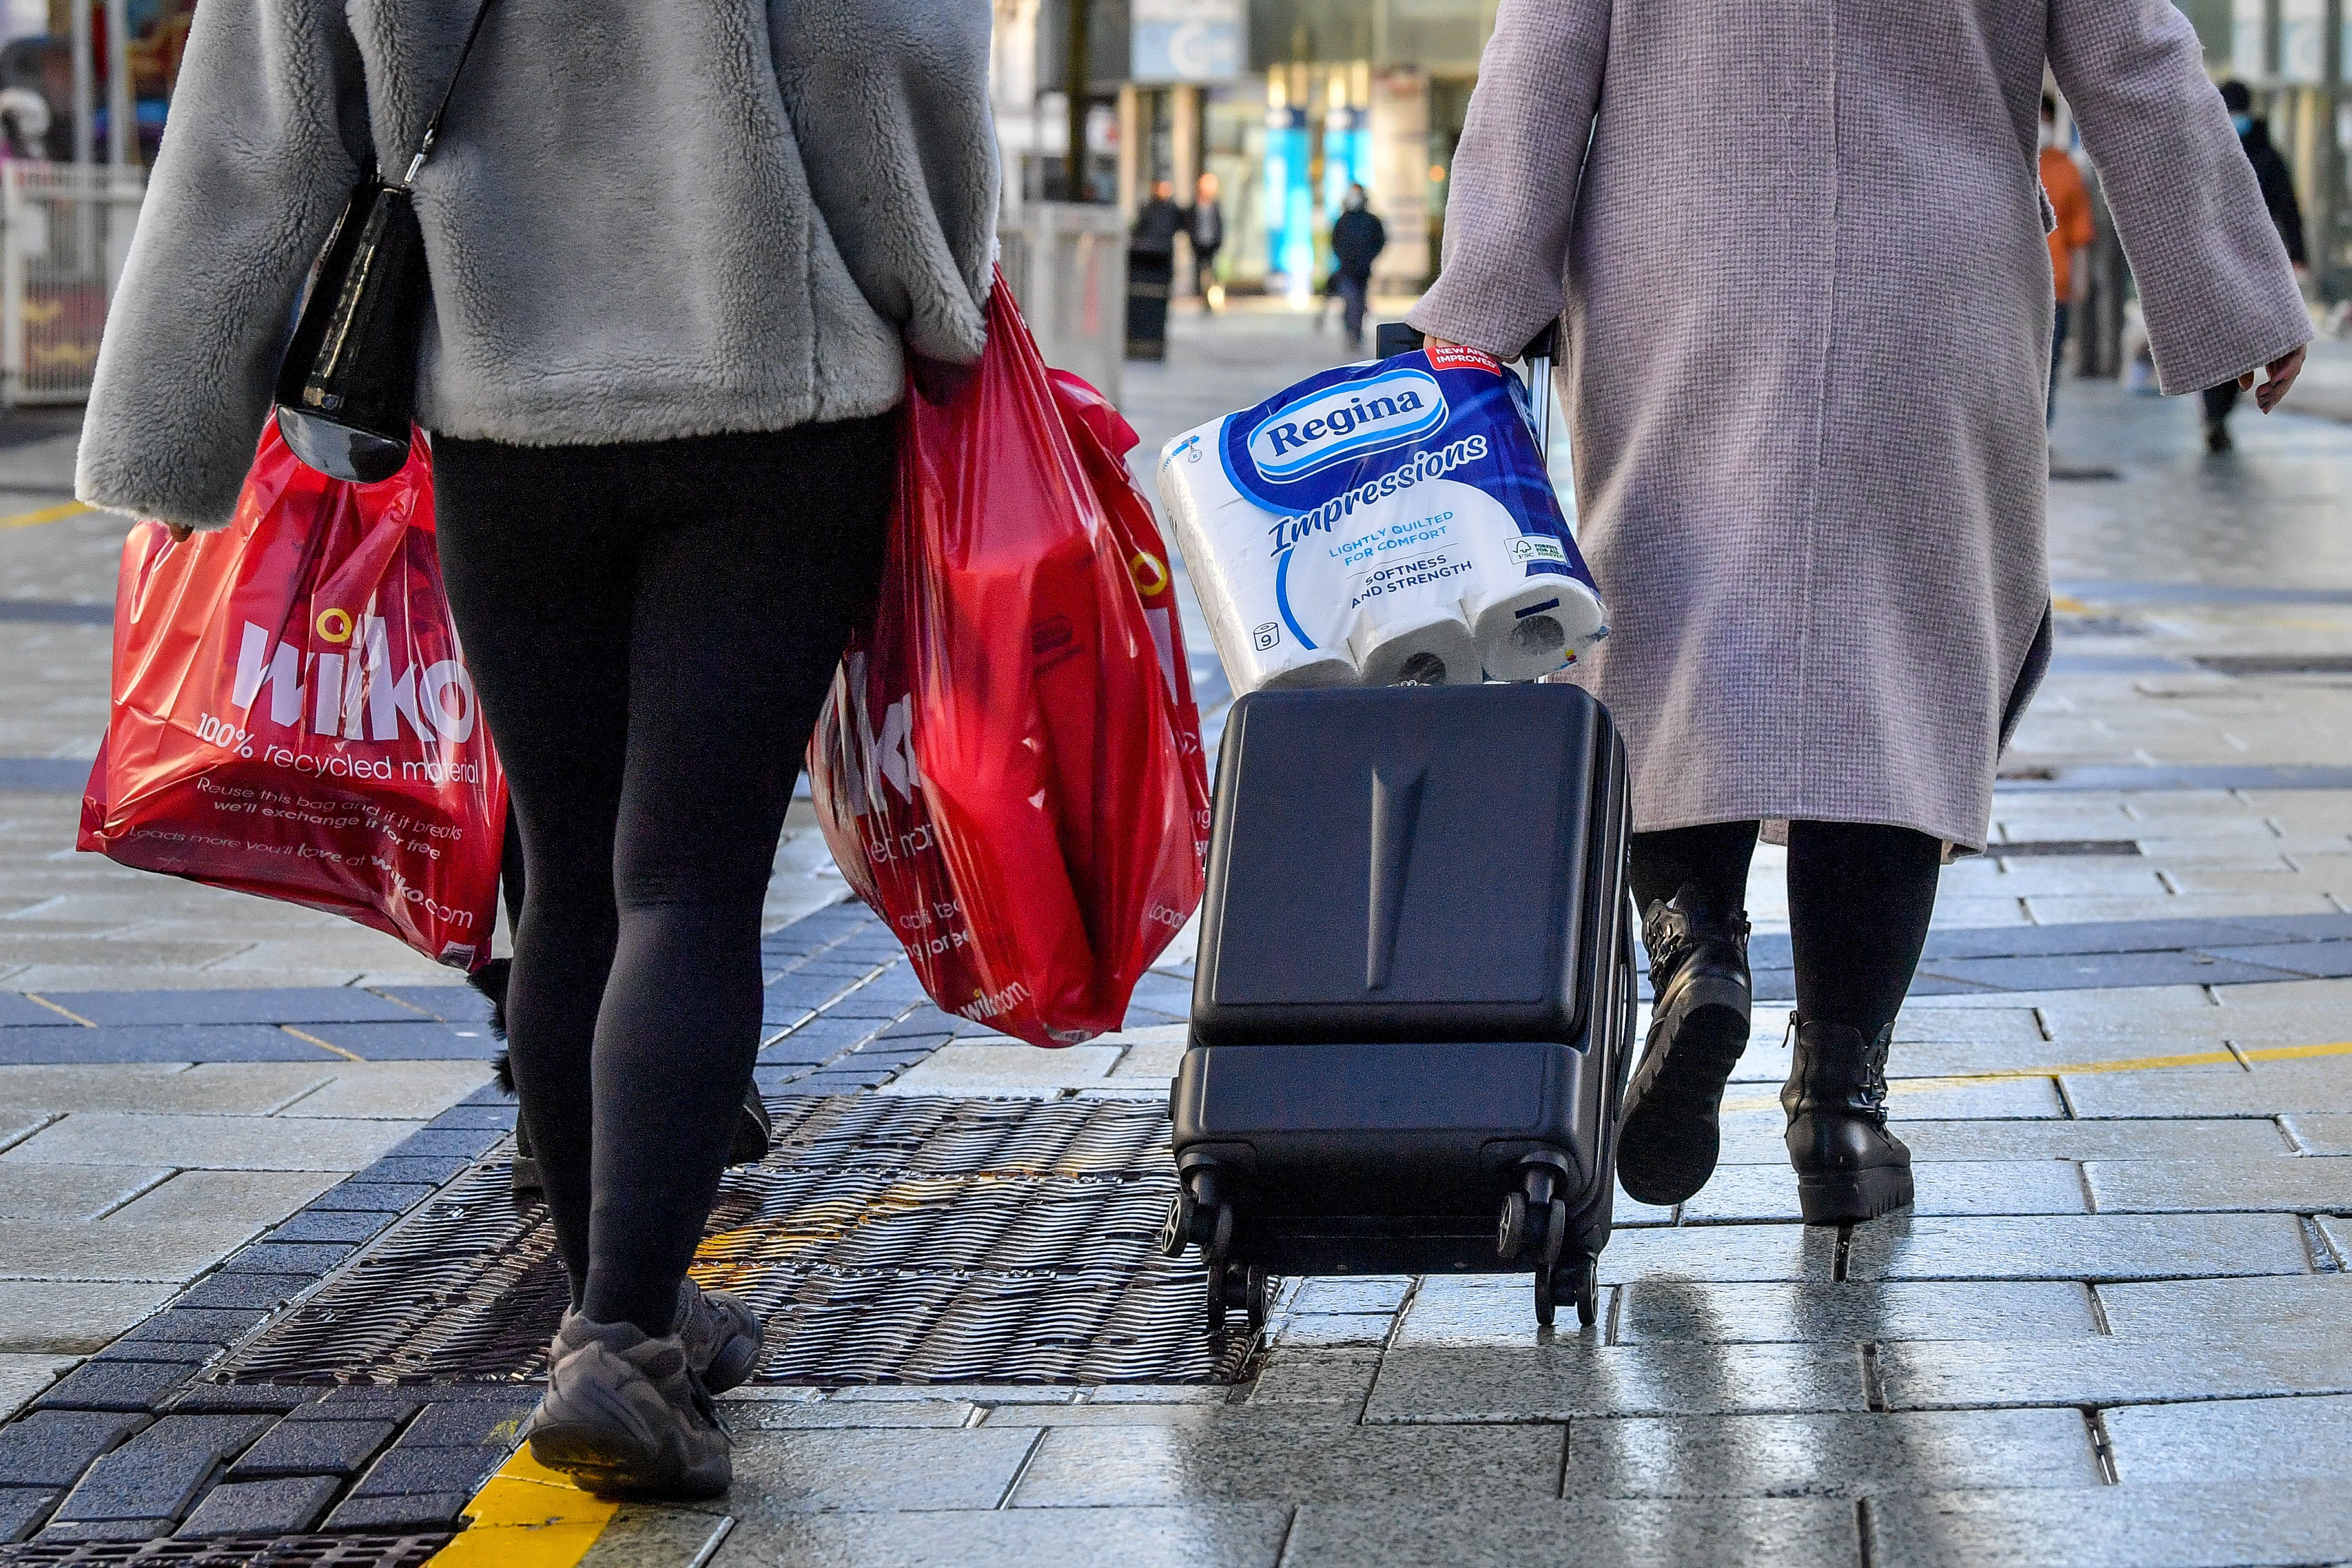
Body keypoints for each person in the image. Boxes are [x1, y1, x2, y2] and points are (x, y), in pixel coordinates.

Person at [74, 0, 995, 1499]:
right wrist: (937, 291)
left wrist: (169, 430)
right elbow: (888, 56)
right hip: (773, 396)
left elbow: (263, 120)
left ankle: (615, 1314)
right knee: (685, 881)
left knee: (567, 872)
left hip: (504, 407)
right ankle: (627, 1324)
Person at [1413, 0, 2307, 1227]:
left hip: (1681, 265)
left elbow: (1543, 53)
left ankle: (1695, 950)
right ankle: (1838, 1103)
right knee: (1900, 665)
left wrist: (1480, 297)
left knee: (1662, 629)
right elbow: (2130, 51)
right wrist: (2234, 293)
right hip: (1931, 278)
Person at [2203, 80, 2308, 453]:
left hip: (2254, 266)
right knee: (2220, 343)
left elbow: (2290, 210)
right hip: (2214, 264)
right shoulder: (2208, 151)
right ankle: (2214, 413)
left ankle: (2219, 414)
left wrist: (2298, 255)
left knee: (2243, 345)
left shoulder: (2267, 157)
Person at [2040, 95, 2093, 424]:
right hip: (2011, 287)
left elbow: (2080, 231)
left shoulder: (2065, 168)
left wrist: (2082, 277)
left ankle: (2042, 427)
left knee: (2051, 361)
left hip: (2056, 285)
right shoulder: (2007, 162)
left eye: (2045, 119)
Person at [1128, 177, 1182, 359]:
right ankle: (1142, 344)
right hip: (1147, 263)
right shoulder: (1148, 208)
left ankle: (1152, 346)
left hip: (1160, 262)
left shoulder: (1172, 210)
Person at [1329, 183, 1386, 351]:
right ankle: (1351, 331)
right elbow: (1336, 242)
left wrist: (1369, 258)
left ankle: (1357, 331)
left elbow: (1380, 241)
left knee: (1359, 301)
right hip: (1346, 269)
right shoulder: (1343, 221)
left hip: (1364, 270)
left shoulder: (1371, 221)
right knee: (1350, 300)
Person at [1180, 170, 1225, 311]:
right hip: (1199, 242)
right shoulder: (1196, 205)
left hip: (1212, 242)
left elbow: (1219, 225)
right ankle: (1201, 294)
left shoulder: (1215, 206)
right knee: (1199, 269)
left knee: (1212, 270)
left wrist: (1218, 241)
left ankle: (1212, 297)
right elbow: (1190, 223)